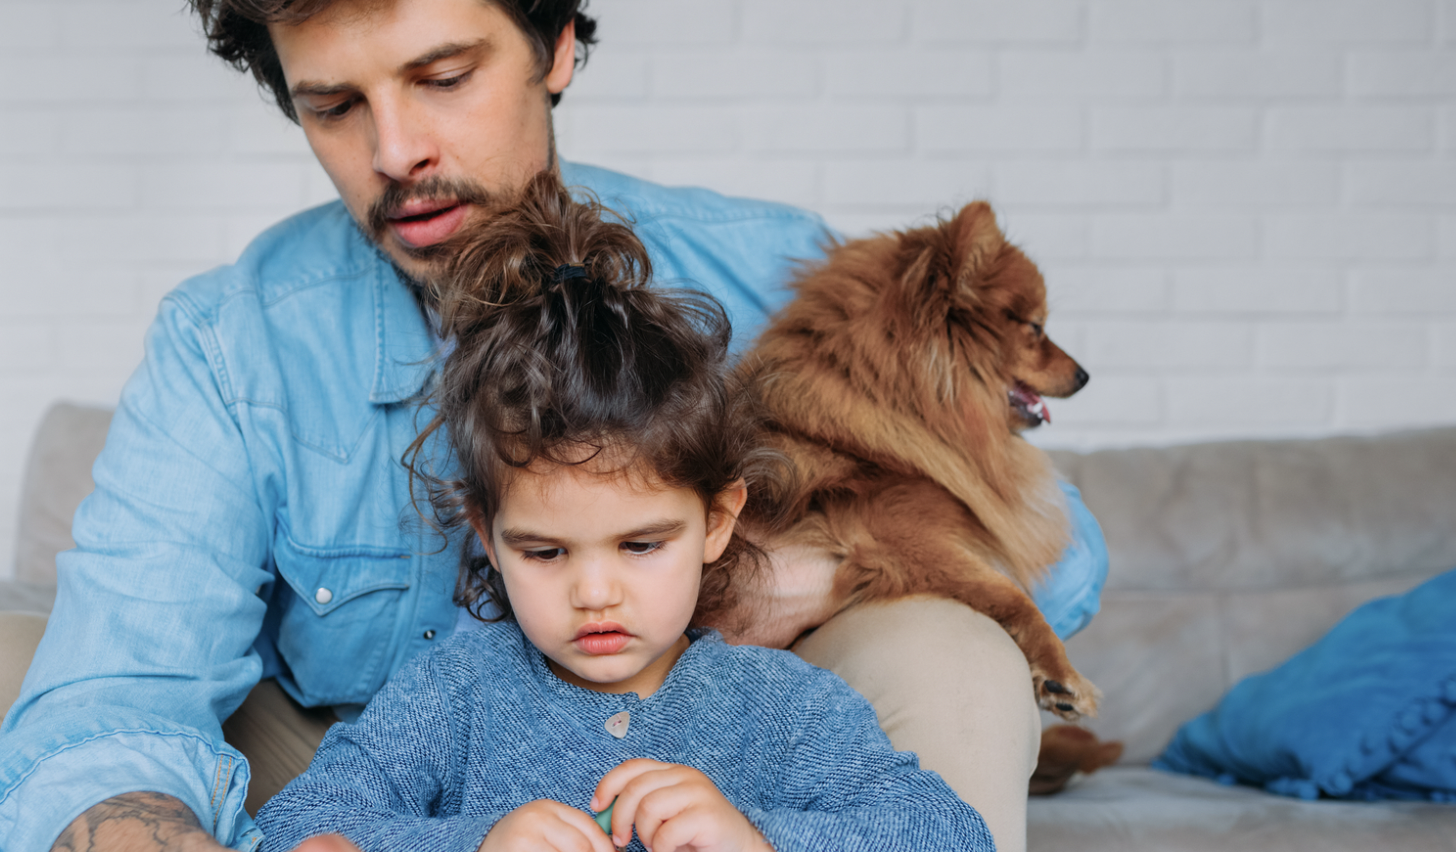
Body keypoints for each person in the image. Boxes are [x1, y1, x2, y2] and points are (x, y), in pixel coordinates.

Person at [0, 2, 1107, 852]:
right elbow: (121, 691)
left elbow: (1067, 553)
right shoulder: (231, 340)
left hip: (705, 762)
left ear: (556, 47)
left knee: (951, 647)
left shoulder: (757, 266)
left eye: (442, 77)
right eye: (334, 107)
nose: (396, 152)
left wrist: (796, 566)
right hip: (382, 784)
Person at [253, 172, 995, 852]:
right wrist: (473, 845)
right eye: (545, 553)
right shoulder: (454, 696)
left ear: (717, 521)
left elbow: (949, 833)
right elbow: (302, 823)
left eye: (640, 546)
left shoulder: (779, 708)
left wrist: (757, 840)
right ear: (488, 535)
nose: (595, 593)